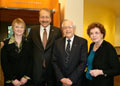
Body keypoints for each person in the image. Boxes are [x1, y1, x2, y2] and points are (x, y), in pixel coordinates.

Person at [28, 8, 62, 86]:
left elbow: (60, 50)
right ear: (39, 18)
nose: (44, 19)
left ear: (50, 19)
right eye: (42, 17)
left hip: (52, 70)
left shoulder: (57, 31)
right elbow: (28, 47)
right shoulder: (33, 30)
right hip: (36, 70)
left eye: (47, 17)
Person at [52, 19, 88, 86]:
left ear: (74, 29)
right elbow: (54, 61)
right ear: (62, 30)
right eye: (65, 27)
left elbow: (83, 62)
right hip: (60, 81)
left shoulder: (82, 42)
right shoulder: (57, 43)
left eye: (70, 27)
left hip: (76, 81)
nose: (67, 29)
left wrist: (72, 79)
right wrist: (61, 78)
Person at [1, 18, 33, 86]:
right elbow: (4, 64)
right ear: (13, 28)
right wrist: (13, 79)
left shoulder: (29, 44)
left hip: (25, 81)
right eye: (17, 27)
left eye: (22, 27)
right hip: (10, 81)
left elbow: (31, 61)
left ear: (24, 29)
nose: (19, 29)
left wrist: (26, 77)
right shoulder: (5, 44)